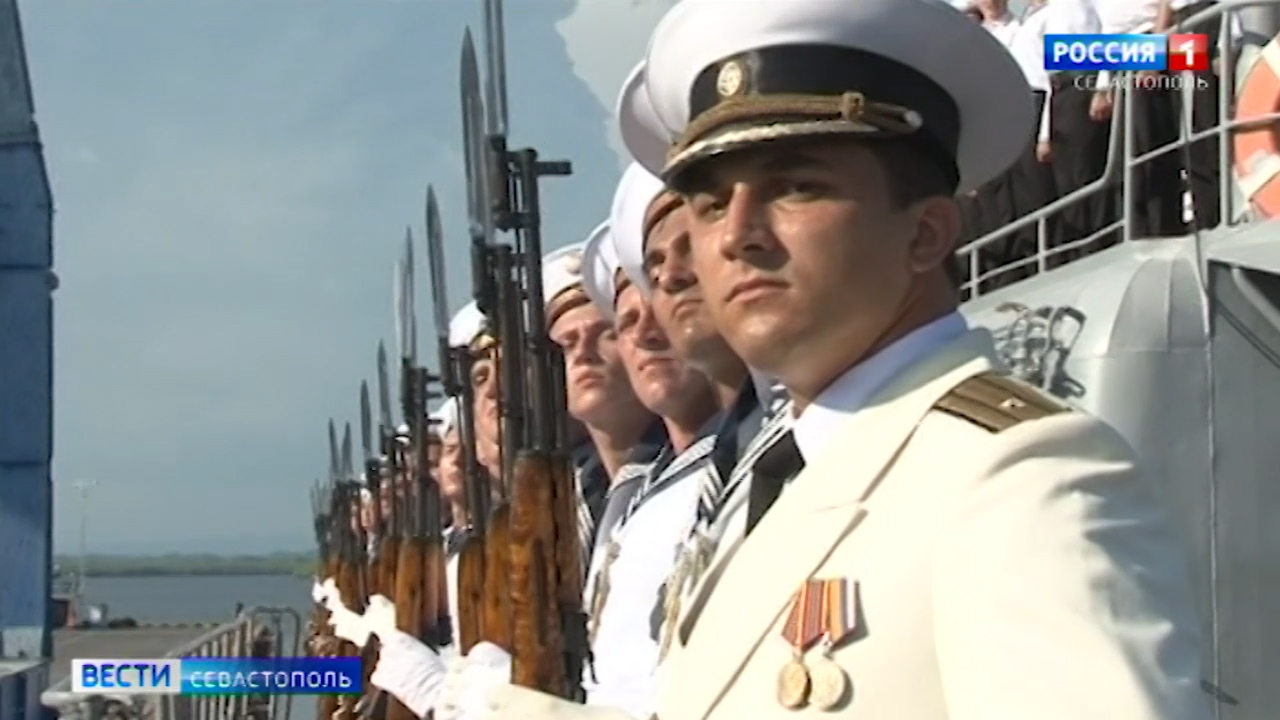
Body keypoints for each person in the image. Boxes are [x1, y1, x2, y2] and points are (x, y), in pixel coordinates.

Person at [464, 0, 1211, 718]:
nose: (736, 235)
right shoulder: (773, 477)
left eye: (796, 186)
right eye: (712, 203)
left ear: (927, 233)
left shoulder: (1019, 481)